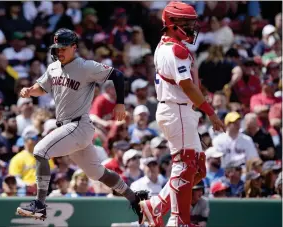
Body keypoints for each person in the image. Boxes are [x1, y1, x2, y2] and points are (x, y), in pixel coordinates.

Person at [16, 28, 148, 221]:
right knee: (97, 173)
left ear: (74, 47)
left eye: (63, 48)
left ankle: (39, 205)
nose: (59, 52)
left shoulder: (85, 66)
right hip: (68, 128)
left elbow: (117, 75)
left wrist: (120, 103)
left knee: (40, 151)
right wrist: (29, 91)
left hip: (78, 125)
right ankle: (133, 198)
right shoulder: (53, 67)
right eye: (57, 48)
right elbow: (41, 88)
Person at [138, 2, 225, 227]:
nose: (191, 28)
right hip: (177, 108)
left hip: (177, 109)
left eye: (191, 23)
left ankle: (155, 206)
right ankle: (178, 220)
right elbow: (187, 86)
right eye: (186, 23)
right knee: (185, 165)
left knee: (197, 167)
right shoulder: (175, 49)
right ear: (172, 23)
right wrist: (211, 113)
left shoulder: (165, 45)